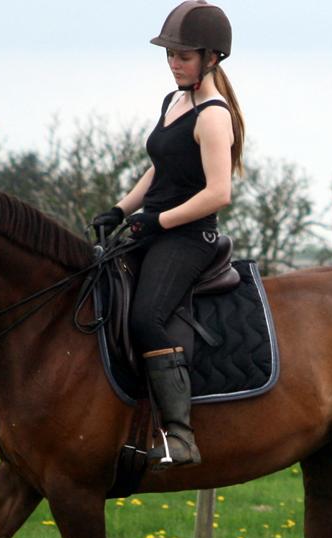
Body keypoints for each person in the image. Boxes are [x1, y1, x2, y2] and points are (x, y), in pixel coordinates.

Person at [90, 0, 245, 470]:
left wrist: (157, 221)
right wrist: (120, 209)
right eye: (170, 55)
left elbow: (219, 193)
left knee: (146, 319)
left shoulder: (213, 115)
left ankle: (180, 434)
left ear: (211, 58)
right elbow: (160, 170)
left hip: (188, 238)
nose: (174, 63)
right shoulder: (174, 102)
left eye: (183, 56)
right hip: (151, 228)